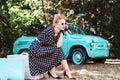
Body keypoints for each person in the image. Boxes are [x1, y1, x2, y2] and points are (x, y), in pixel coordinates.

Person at [29, 13, 75, 79]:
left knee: (57, 49)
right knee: (55, 50)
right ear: (56, 24)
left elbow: (58, 46)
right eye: (62, 23)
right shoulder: (50, 30)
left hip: (44, 48)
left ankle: (65, 72)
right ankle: (61, 72)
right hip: (36, 48)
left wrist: (62, 34)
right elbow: (54, 47)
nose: (64, 25)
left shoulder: (59, 33)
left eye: (65, 24)